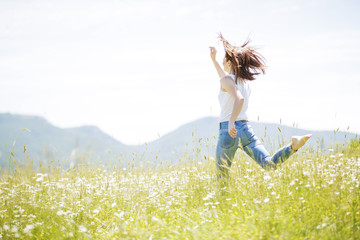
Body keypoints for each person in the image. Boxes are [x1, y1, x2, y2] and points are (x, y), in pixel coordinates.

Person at [209, 33, 312, 181]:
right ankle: (293, 146)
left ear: (230, 63)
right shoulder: (243, 82)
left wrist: (231, 122)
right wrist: (213, 60)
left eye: (224, 59)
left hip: (228, 130)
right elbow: (224, 78)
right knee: (269, 164)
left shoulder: (227, 81)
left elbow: (239, 99)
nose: (223, 61)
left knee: (222, 176)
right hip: (245, 129)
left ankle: (222, 203)